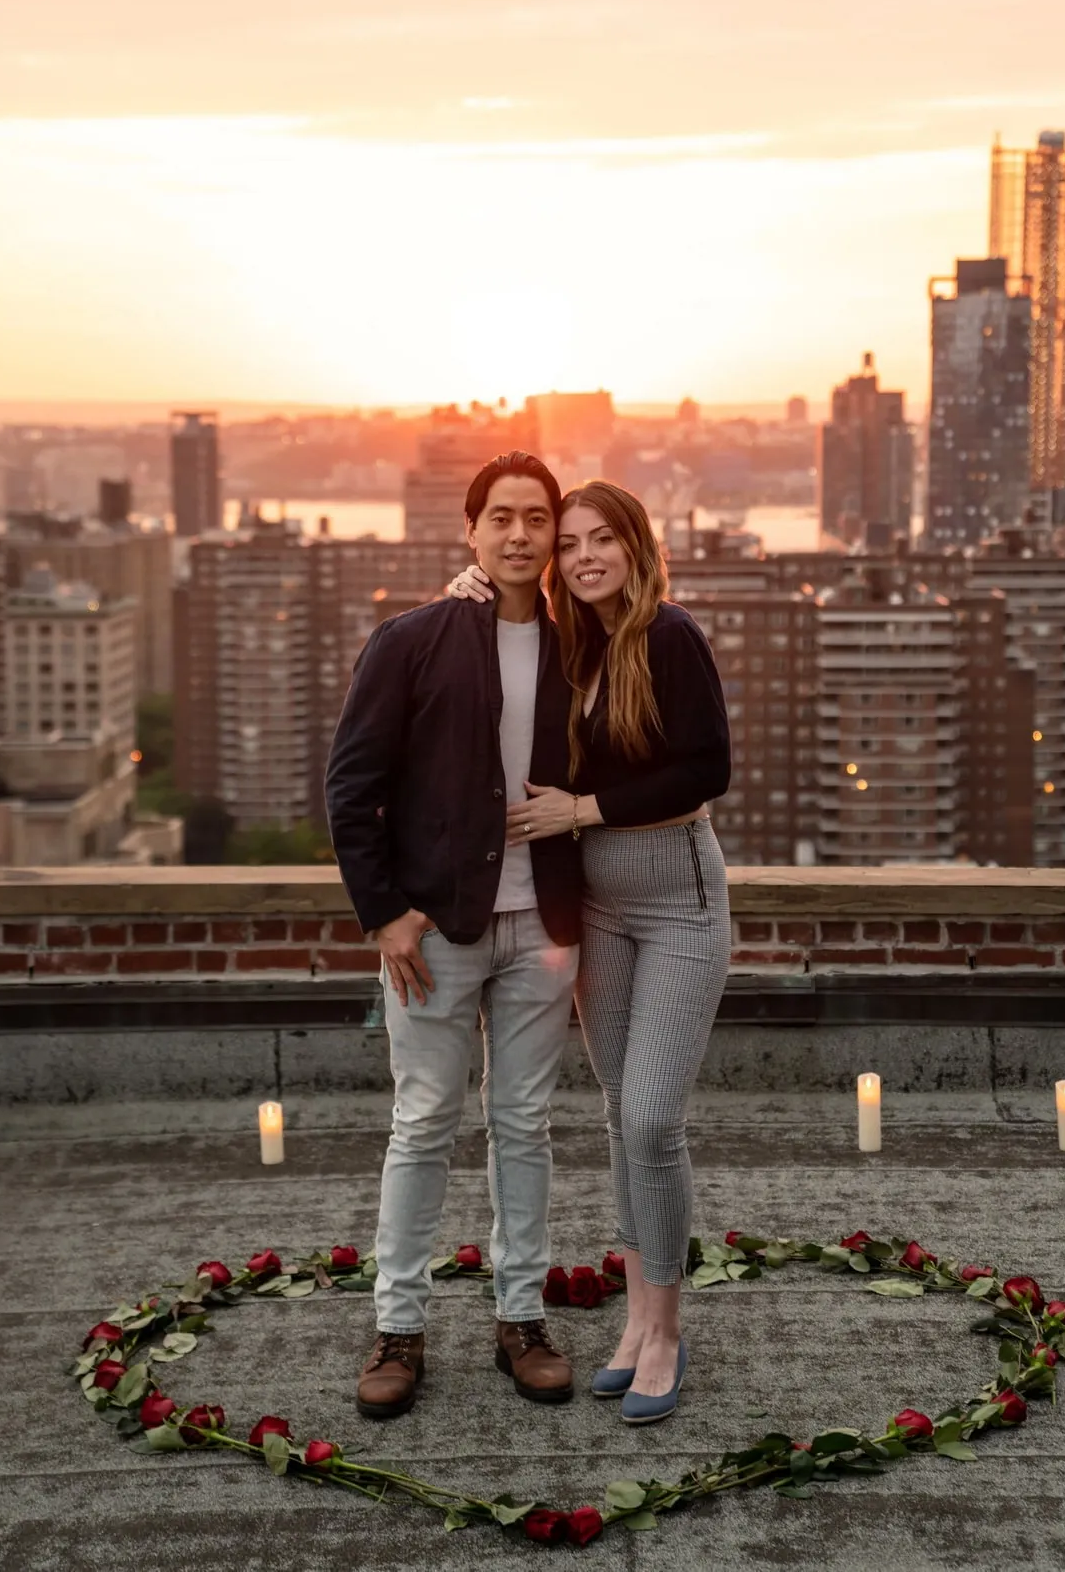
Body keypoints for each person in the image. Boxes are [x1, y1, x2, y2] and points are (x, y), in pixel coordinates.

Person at [450, 479, 731, 1424]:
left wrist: (584, 809)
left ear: (637, 544)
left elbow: (708, 768)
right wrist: (466, 597)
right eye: (568, 543)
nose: (581, 556)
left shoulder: (669, 633)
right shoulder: (577, 643)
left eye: (599, 538)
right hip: (600, 907)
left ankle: (667, 1327)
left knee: (654, 1119)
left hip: (680, 904)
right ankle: (639, 1323)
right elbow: (505, 660)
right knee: (620, 1116)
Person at [325, 450, 584, 1420]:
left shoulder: (578, 644)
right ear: (471, 531)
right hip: (435, 930)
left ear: (555, 534)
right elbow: (353, 787)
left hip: (544, 927)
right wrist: (385, 910)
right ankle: (399, 1328)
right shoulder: (413, 640)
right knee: (424, 1121)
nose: (520, 534)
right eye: (501, 517)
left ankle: (522, 1317)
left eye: (537, 518)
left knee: (523, 1122)